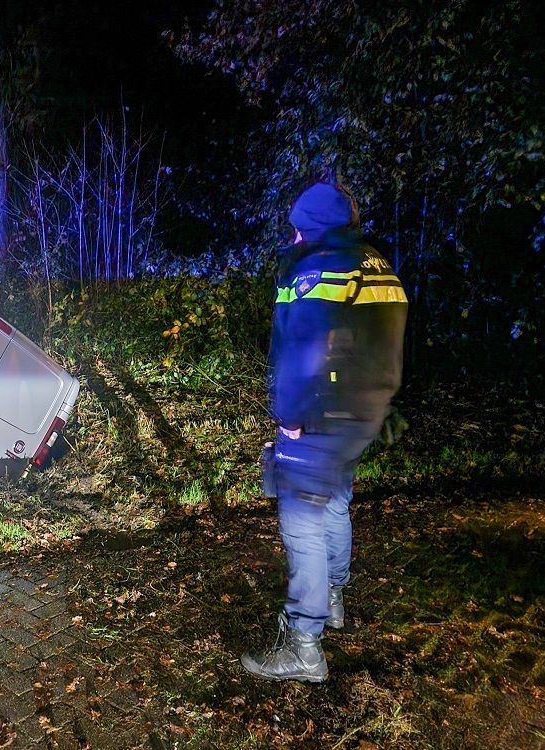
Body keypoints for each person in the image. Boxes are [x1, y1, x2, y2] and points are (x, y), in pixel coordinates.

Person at [241, 182, 408, 683]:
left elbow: (302, 350)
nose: (294, 235)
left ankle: (305, 648)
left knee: (302, 522)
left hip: (317, 415)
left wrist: (289, 417)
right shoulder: (378, 263)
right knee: (335, 503)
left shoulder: (313, 268)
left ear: (309, 226)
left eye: (298, 226)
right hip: (365, 414)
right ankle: (334, 599)